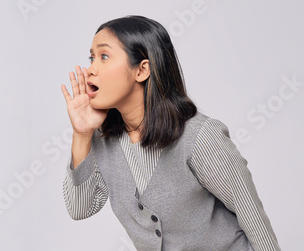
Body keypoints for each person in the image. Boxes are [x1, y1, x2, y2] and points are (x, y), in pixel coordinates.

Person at [60, 15, 280, 251]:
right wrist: (81, 134)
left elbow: (252, 218)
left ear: (142, 70)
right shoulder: (104, 138)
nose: (90, 69)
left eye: (104, 56)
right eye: (91, 57)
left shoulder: (200, 137)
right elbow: (80, 208)